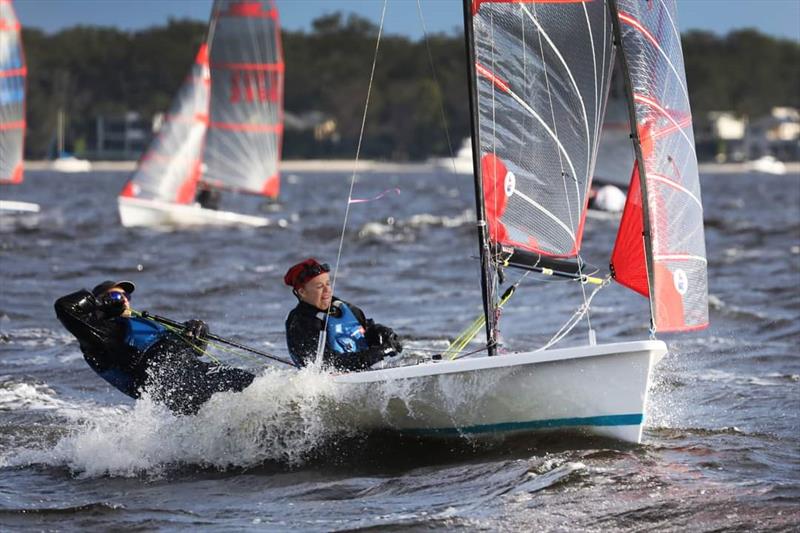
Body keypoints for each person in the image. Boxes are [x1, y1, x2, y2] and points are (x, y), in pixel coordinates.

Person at [54, 280, 254, 414]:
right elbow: (64, 306)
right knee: (239, 390)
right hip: (171, 384)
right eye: (115, 296)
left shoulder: (143, 324)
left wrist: (198, 330)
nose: (124, 300)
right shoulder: (99, 335)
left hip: (194, 372)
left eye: (126, 296)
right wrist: (99, 306)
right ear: (99, 303)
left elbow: (197, 349)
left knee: (251, 383)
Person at [284, 259, 402, 371]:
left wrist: (381, 333)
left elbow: (363, 331)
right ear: (302, 292)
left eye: (328, 284)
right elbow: (326, 364)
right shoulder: (301, 323)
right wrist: (378, 353)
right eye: (320, 286)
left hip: (365, 369)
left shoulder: (342, 308)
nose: (327, 290)